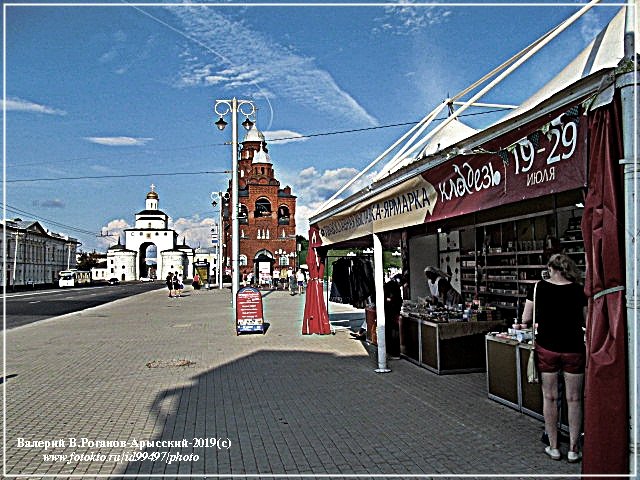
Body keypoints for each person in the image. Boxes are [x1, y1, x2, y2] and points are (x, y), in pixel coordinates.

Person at [521, 253, 586, 463]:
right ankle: (574, 449)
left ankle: (554, 446)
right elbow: (587, 319)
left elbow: (526, 318)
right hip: (574, 348)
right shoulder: (578, 290)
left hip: (547, 348)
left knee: (550, 397)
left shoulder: (538, 288)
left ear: (550, 268)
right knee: (574, 399)